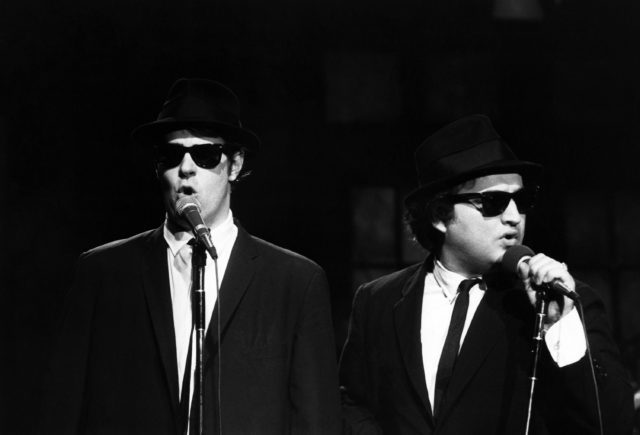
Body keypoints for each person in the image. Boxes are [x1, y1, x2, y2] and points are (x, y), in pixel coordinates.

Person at [37, 78, 341, 434]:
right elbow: (63, 410)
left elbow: (316, 421)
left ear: (235, 164)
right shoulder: (103, 273)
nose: (186, 169)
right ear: (156, 166)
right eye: (171, 155)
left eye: (205, 154)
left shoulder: (295, 282)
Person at [339, 114, 634, 434]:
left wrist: (559, 326)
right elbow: (353, 402)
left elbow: (613, 424)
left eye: (521, 201)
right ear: (440, 215)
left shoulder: (560, 301)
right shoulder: (377, 300)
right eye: (493, 202)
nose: (513, 217)